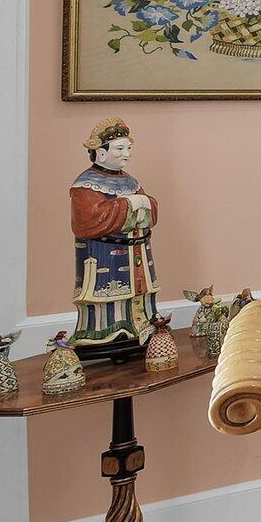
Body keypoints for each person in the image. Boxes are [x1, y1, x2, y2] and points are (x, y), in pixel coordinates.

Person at [70, 118, 158, 360]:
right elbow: (88, 220)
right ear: (100, 153)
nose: (126, 155)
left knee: (140, 294)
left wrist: (144, 203)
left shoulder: (130, 181)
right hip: (104, 257)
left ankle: (140, 325)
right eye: (120, 149)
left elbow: (151, 210)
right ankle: (106, 333)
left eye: (128, 148)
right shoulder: (86, 186)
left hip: (136, 255)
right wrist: (129, 204)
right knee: (109, 297)